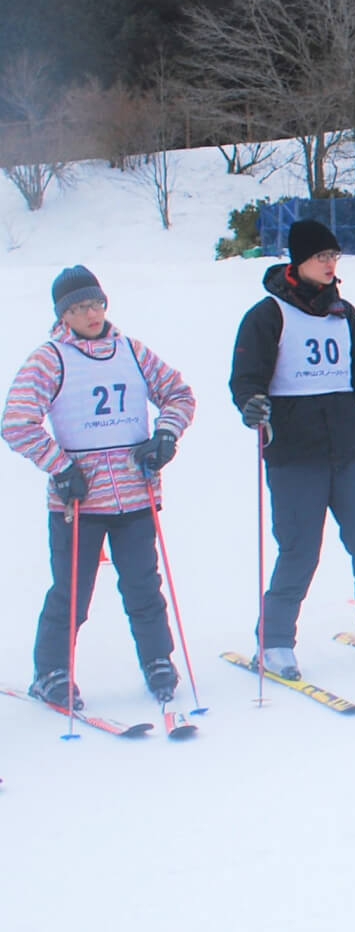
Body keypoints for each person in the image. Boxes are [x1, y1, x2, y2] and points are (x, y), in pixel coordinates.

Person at [229, 219, 355, 678]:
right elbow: (245, 379)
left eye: (335, 256)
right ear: (300, 261)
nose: (331, 264)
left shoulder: (344, 312)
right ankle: (273, 642)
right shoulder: (268, 314)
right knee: (299, 552)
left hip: (346, 451)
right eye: (322, 257)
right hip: (294, 456)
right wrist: (252, 406)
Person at [4, 266, 196, 708]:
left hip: (134, 493)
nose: (90, 314)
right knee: (71, 592)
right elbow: (15, 422)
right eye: (77, 308)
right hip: (79, 501)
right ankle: (51, 672)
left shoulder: (131, 350)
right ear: (62, 314)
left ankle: (157, 660)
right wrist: (59, 466)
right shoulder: (49, 358)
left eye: (95, 304)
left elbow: (179, 395)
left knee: (143, 585)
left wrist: (165, 435)